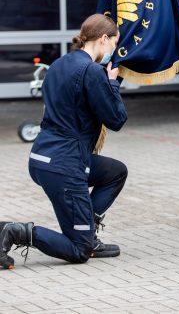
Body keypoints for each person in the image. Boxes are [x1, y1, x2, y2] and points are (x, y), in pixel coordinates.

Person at [0, 14, 128, 270]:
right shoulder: (92, 71)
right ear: (103, 39)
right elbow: (116, 119)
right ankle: (14, 231)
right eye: (114, 42)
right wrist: (112, 84)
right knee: (80, 250)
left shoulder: (59, 64)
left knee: (115, 172)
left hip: (43, 158)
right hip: (65, 165)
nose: (114, 49)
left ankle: (87, 231)